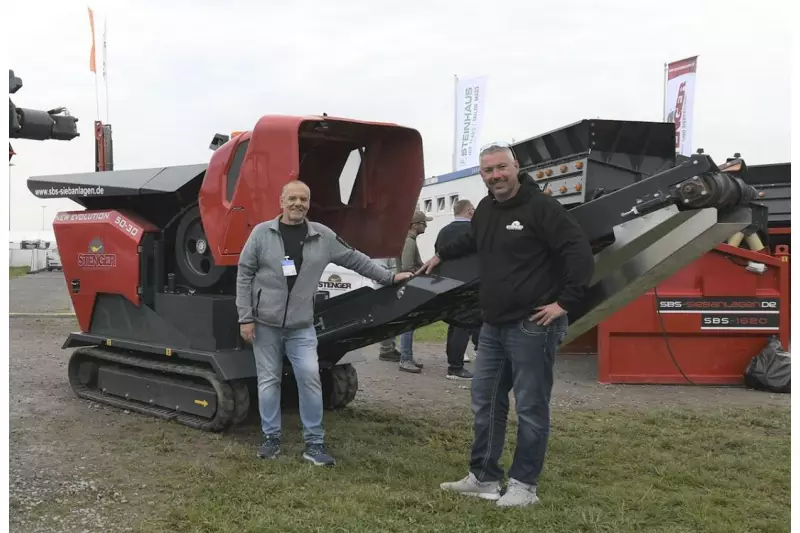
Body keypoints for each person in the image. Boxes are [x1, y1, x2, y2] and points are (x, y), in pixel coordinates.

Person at [417, 142, 595, 507]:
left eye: (501, 168)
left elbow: (578, 250)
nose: (496, 176)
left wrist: (564, 303)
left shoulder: (541, 207)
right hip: (493, 326)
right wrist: (441, 253)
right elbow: (472, 238)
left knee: (530, 407)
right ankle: (483, 477)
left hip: (533, 326)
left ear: (515, 166)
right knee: (485, 402)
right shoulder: (486, 208)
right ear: (481, 175)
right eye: (488, 171)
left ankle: (524, 486)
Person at [236, 180, 414, 466]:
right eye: (292, 198)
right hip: (265, 323)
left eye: (303, 199)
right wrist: (245, 317)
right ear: (281, 201)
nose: (298, 204)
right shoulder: (261, 234)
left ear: (308, 203)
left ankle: (314, 444)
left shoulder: (323, 236)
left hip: (301, 326)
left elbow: (356, 259)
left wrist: (389, 278)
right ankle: (271, 439)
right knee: (268, 381)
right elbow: (244, 275)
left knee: (309, 377)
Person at [434, 199, 477, 380]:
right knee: (467, 325)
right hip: (470, 284)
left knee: (455, 324)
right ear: (469, 211)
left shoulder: (443, 231)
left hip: (447, 283)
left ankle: (454, 362)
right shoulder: (473, 231)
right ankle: (456, 368)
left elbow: (438, 253)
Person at [397, 210, 432, 374]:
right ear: (416, 225)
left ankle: (407, 356)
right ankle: (405, 359)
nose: (426, 225)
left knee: (409, 325)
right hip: (407, 287)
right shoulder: (409, 242)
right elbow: (406, 268)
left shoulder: (409, 240)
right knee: (408, 325)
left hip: (406, 286)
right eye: (424, 223)